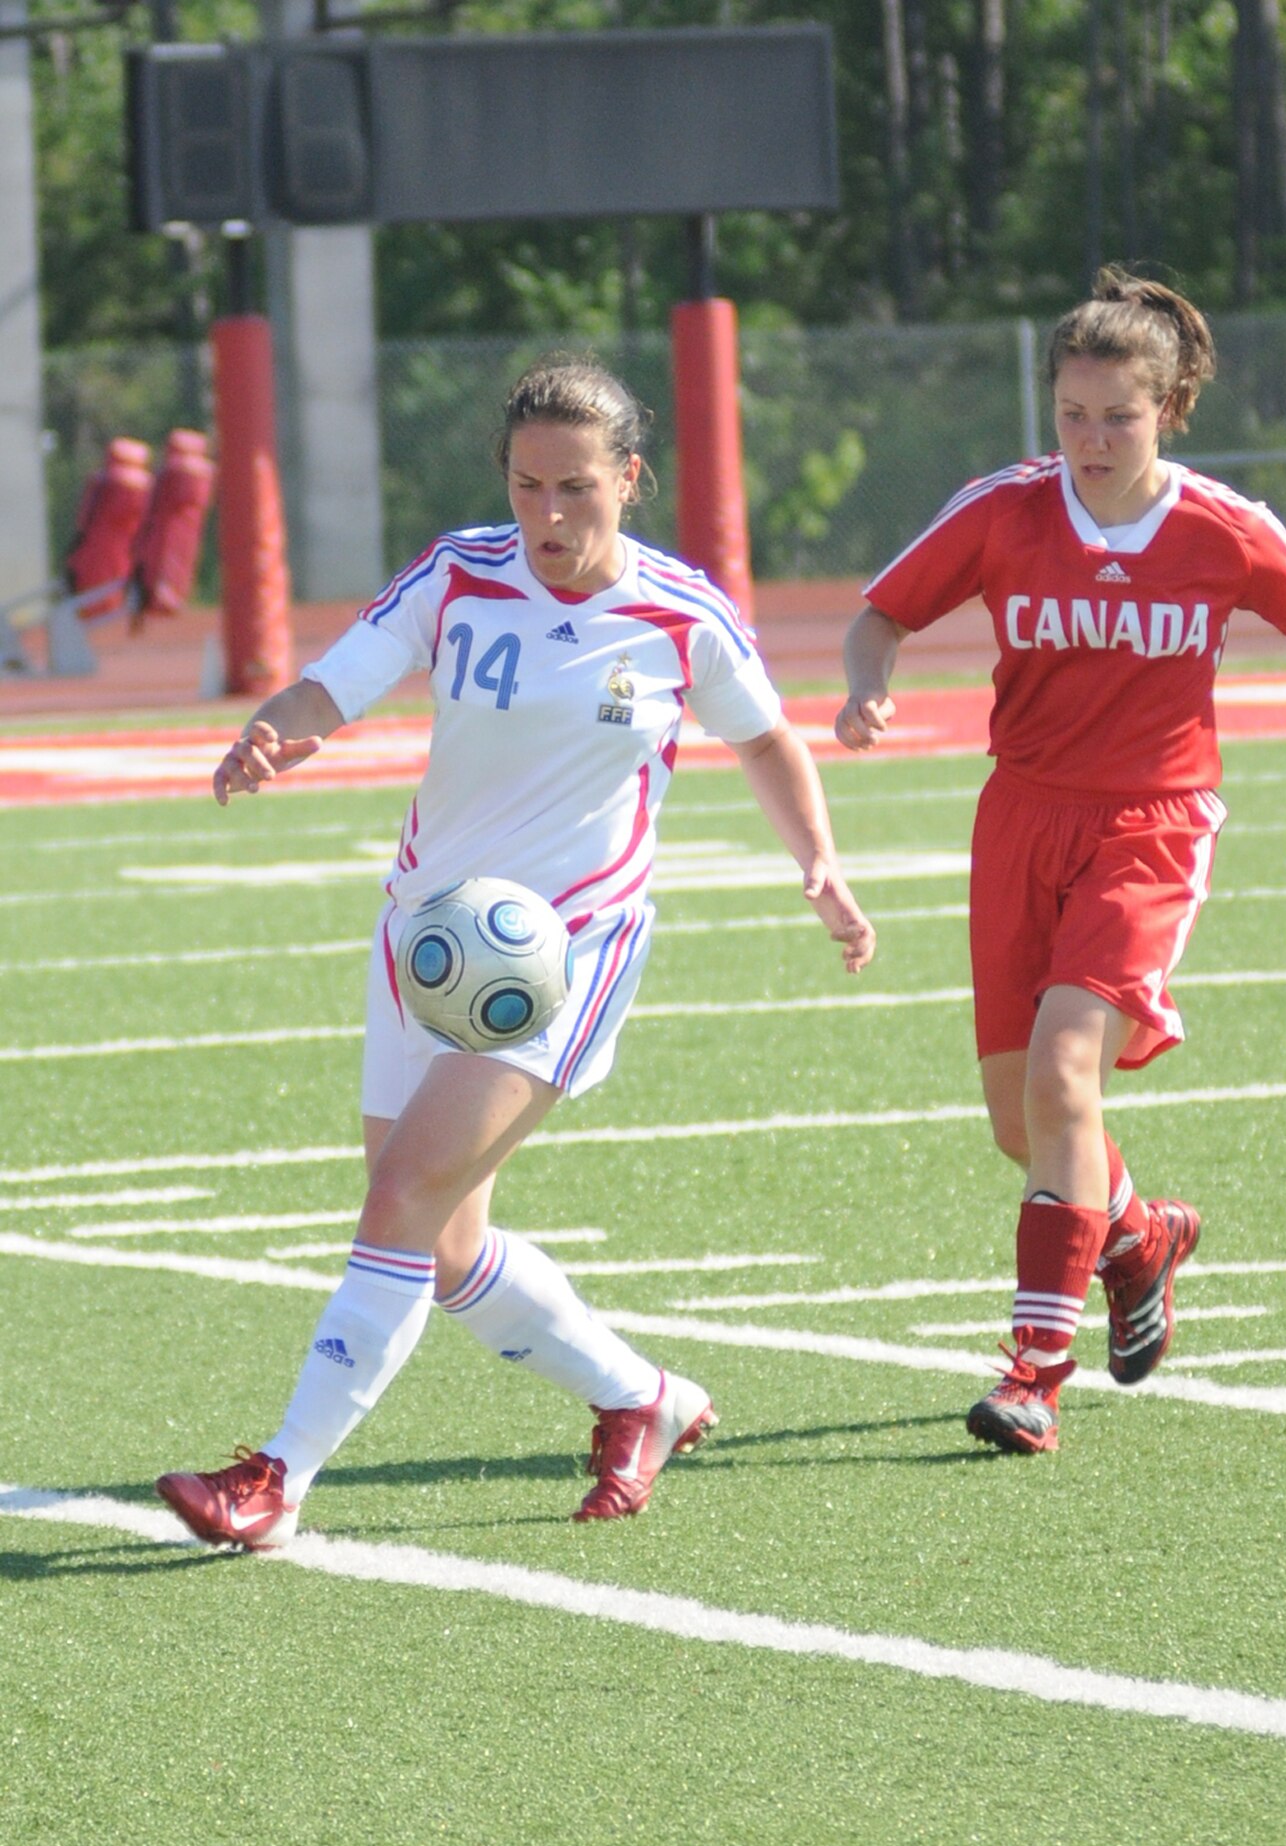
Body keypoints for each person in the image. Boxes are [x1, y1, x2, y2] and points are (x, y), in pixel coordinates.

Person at [157, 354, 875, 1548]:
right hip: (426, 941)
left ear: (628, 478)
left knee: (399, 1194)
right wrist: (273, 733)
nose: (547, 515)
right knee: (441, 1243)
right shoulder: (457, 573)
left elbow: (764, 742)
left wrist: (819, 861)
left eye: (576, 489)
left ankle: (278, 1478)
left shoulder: (680, 613)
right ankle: (641, 1398)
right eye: (527, 485)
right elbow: (337, 685)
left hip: (562, 953)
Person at [837, 267, 1286, 1454]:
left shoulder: (1220, 527)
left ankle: (1033, 1367)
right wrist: (867, 682)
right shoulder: (1004, 509)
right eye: (1071, 414)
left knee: (1068, 1072)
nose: (1090, 438)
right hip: (1019, 819)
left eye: (1116, 415)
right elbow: (882, 613)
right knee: (1024, 1121)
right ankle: (1137, 1233)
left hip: (1148, 823)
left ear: (1168, 408)